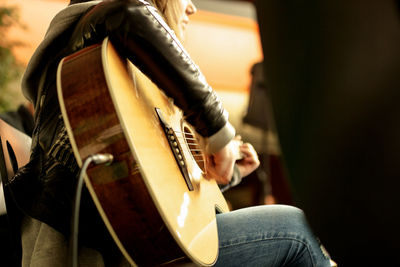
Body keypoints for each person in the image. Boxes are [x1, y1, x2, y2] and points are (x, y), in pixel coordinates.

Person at [7, 0, 332, 266]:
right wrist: (218, 133)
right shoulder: (93, 38)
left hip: (132, 244)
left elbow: (140, 190)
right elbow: (129, 13)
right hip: (109, 254)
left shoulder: (125, 78)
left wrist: (220, 172)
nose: (191, 7)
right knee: (297, 230)